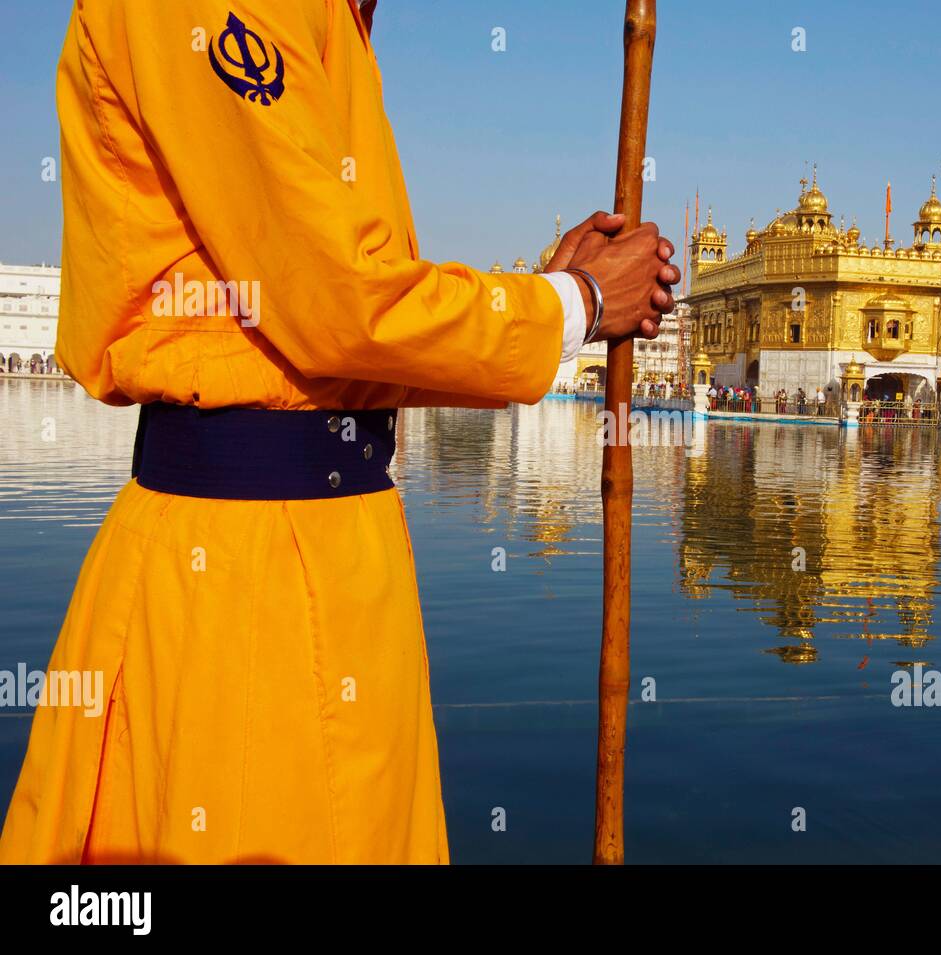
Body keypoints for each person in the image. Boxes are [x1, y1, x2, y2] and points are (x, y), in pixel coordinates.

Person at [0, 0, 678, 864]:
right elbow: (339, 305)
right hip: (241, 577)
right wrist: (572, 305)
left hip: (339, 555)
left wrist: (551, 302)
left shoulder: (334, 26)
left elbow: (335, 351)